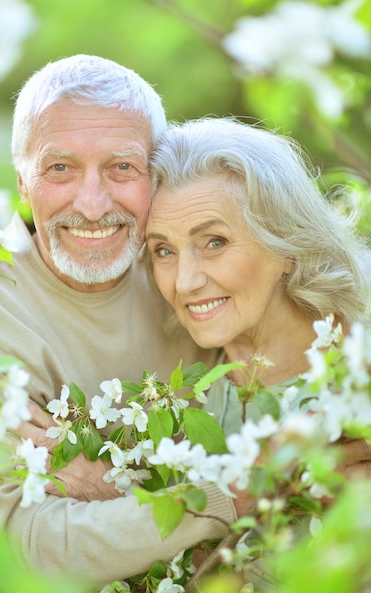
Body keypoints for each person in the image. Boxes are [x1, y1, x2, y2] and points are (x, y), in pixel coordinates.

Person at [0, 56, 237, 593]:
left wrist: (109, 484)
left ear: (156, 175)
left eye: (122, 167)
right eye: (59, 168)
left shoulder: (193, 275)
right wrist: (231, 497)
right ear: (21, 179)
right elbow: (35, 545)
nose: (92, 204)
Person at [146, 116, 371, 438]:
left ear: (287, 245)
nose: (184, 283)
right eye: (164, 250)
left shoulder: (360, 361)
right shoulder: (173, 383)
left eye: (215, 242)